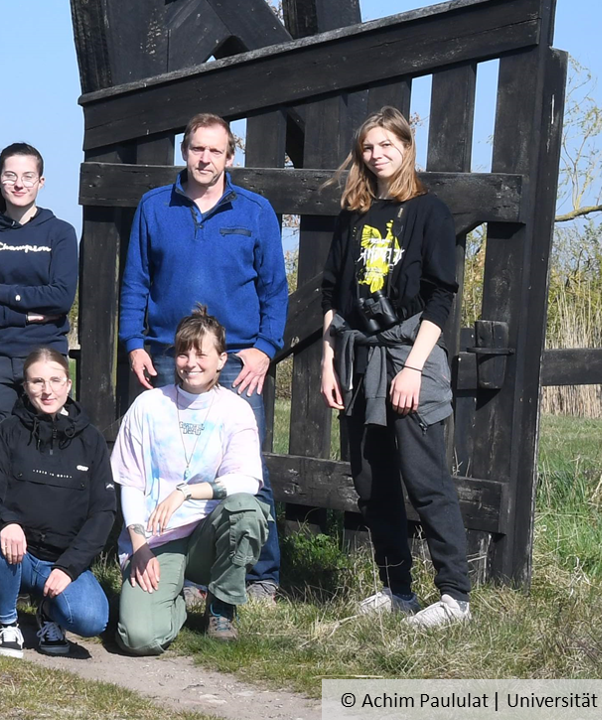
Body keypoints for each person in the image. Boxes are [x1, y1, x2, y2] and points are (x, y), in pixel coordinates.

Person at [116, 113, 289, 601]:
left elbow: (276, 291)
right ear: (184, 151)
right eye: (196, 148)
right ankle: (188, 574)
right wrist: (133, 343)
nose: (204, 158)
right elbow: (136, 282)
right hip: (169, 355)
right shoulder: (155, 207)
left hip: (237, 361)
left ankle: (260, 577)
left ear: (229, 156)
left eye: (215, 150)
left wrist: (264, 350)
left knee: (245, 470)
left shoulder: (254, 211)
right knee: (171, 466)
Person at [320, 106, 471, 629]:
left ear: (407, 148)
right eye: (368, 147)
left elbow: (440, 296)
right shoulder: (354, 213)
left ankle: (455, 597)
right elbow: (332, 293)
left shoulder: (430, 212)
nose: (376, 154)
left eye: (387, 144)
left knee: (425, 479)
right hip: (359, 359)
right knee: (371, 480)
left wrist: (413, 368)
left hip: (412, 356)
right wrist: (327, 360)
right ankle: (396, 588)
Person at [114, 307, 271, 654]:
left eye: (202, 353)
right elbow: (130, 482)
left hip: (208, 537)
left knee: (246, 511)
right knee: (138, 639)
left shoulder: (235, 409)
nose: (191, 362)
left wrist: (186, 492)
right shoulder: (148, 406)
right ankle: (176, 603)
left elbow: (247, 482)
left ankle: (221, 604)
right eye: (184, 352)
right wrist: (138, 545)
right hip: (158, 538)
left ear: (221, 359)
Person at [0, 347, 114, 658]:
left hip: (62, 561)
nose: (47, 389)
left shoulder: (91, 440)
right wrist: (6, 521)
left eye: (55, 380)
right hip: (16, 554)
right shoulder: (6, 433)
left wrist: (69, 567)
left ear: (68, 384)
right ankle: (7, 622)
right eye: (37, 381)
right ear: (25, 387)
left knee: (93, 619)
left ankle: (49, 613)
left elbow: (103, 513)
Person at [0, 143, 78, 439]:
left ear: (41, 181)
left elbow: (61, 297)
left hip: (44, 353)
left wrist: (1, 292)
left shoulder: (60, 233)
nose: (19, 183)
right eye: (10, 176)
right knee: (0, 445)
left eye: (27, 176)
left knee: (46, 441)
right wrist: (25, 318)